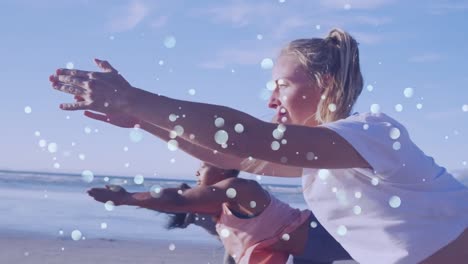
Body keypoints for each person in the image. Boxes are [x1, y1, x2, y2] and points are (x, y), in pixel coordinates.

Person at [50, 28, 468, 263]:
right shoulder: (324, 161)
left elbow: (246, 136)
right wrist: (143, 120)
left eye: (282, 85)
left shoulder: (372, 132)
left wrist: (135, 99)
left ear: (323, 83)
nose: (271, 100)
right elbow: (231, 155)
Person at [87, 162, 324, 263]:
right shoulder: (221, 214)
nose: (196, 172)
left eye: (202, 165)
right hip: (305, 252)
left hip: (323, 234)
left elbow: (178, 199)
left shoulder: (241, 190)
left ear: (222, 168)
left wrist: (126, 198)